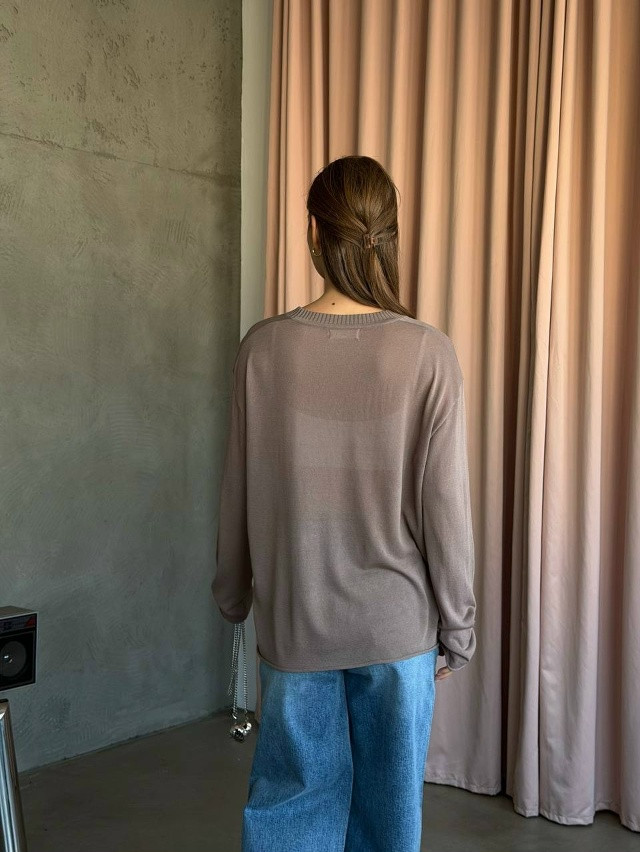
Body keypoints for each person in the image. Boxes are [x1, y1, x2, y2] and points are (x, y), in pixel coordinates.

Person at [212, 155, 477, 852]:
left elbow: (238, 487)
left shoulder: (263, 350)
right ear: (389, 236)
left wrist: (233, 595)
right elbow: (445, 511)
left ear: (312, 232)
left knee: (291, 814)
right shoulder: (427, 353)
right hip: (397, 629)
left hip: (297, 622)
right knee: (389, 822)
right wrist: (459, 625)